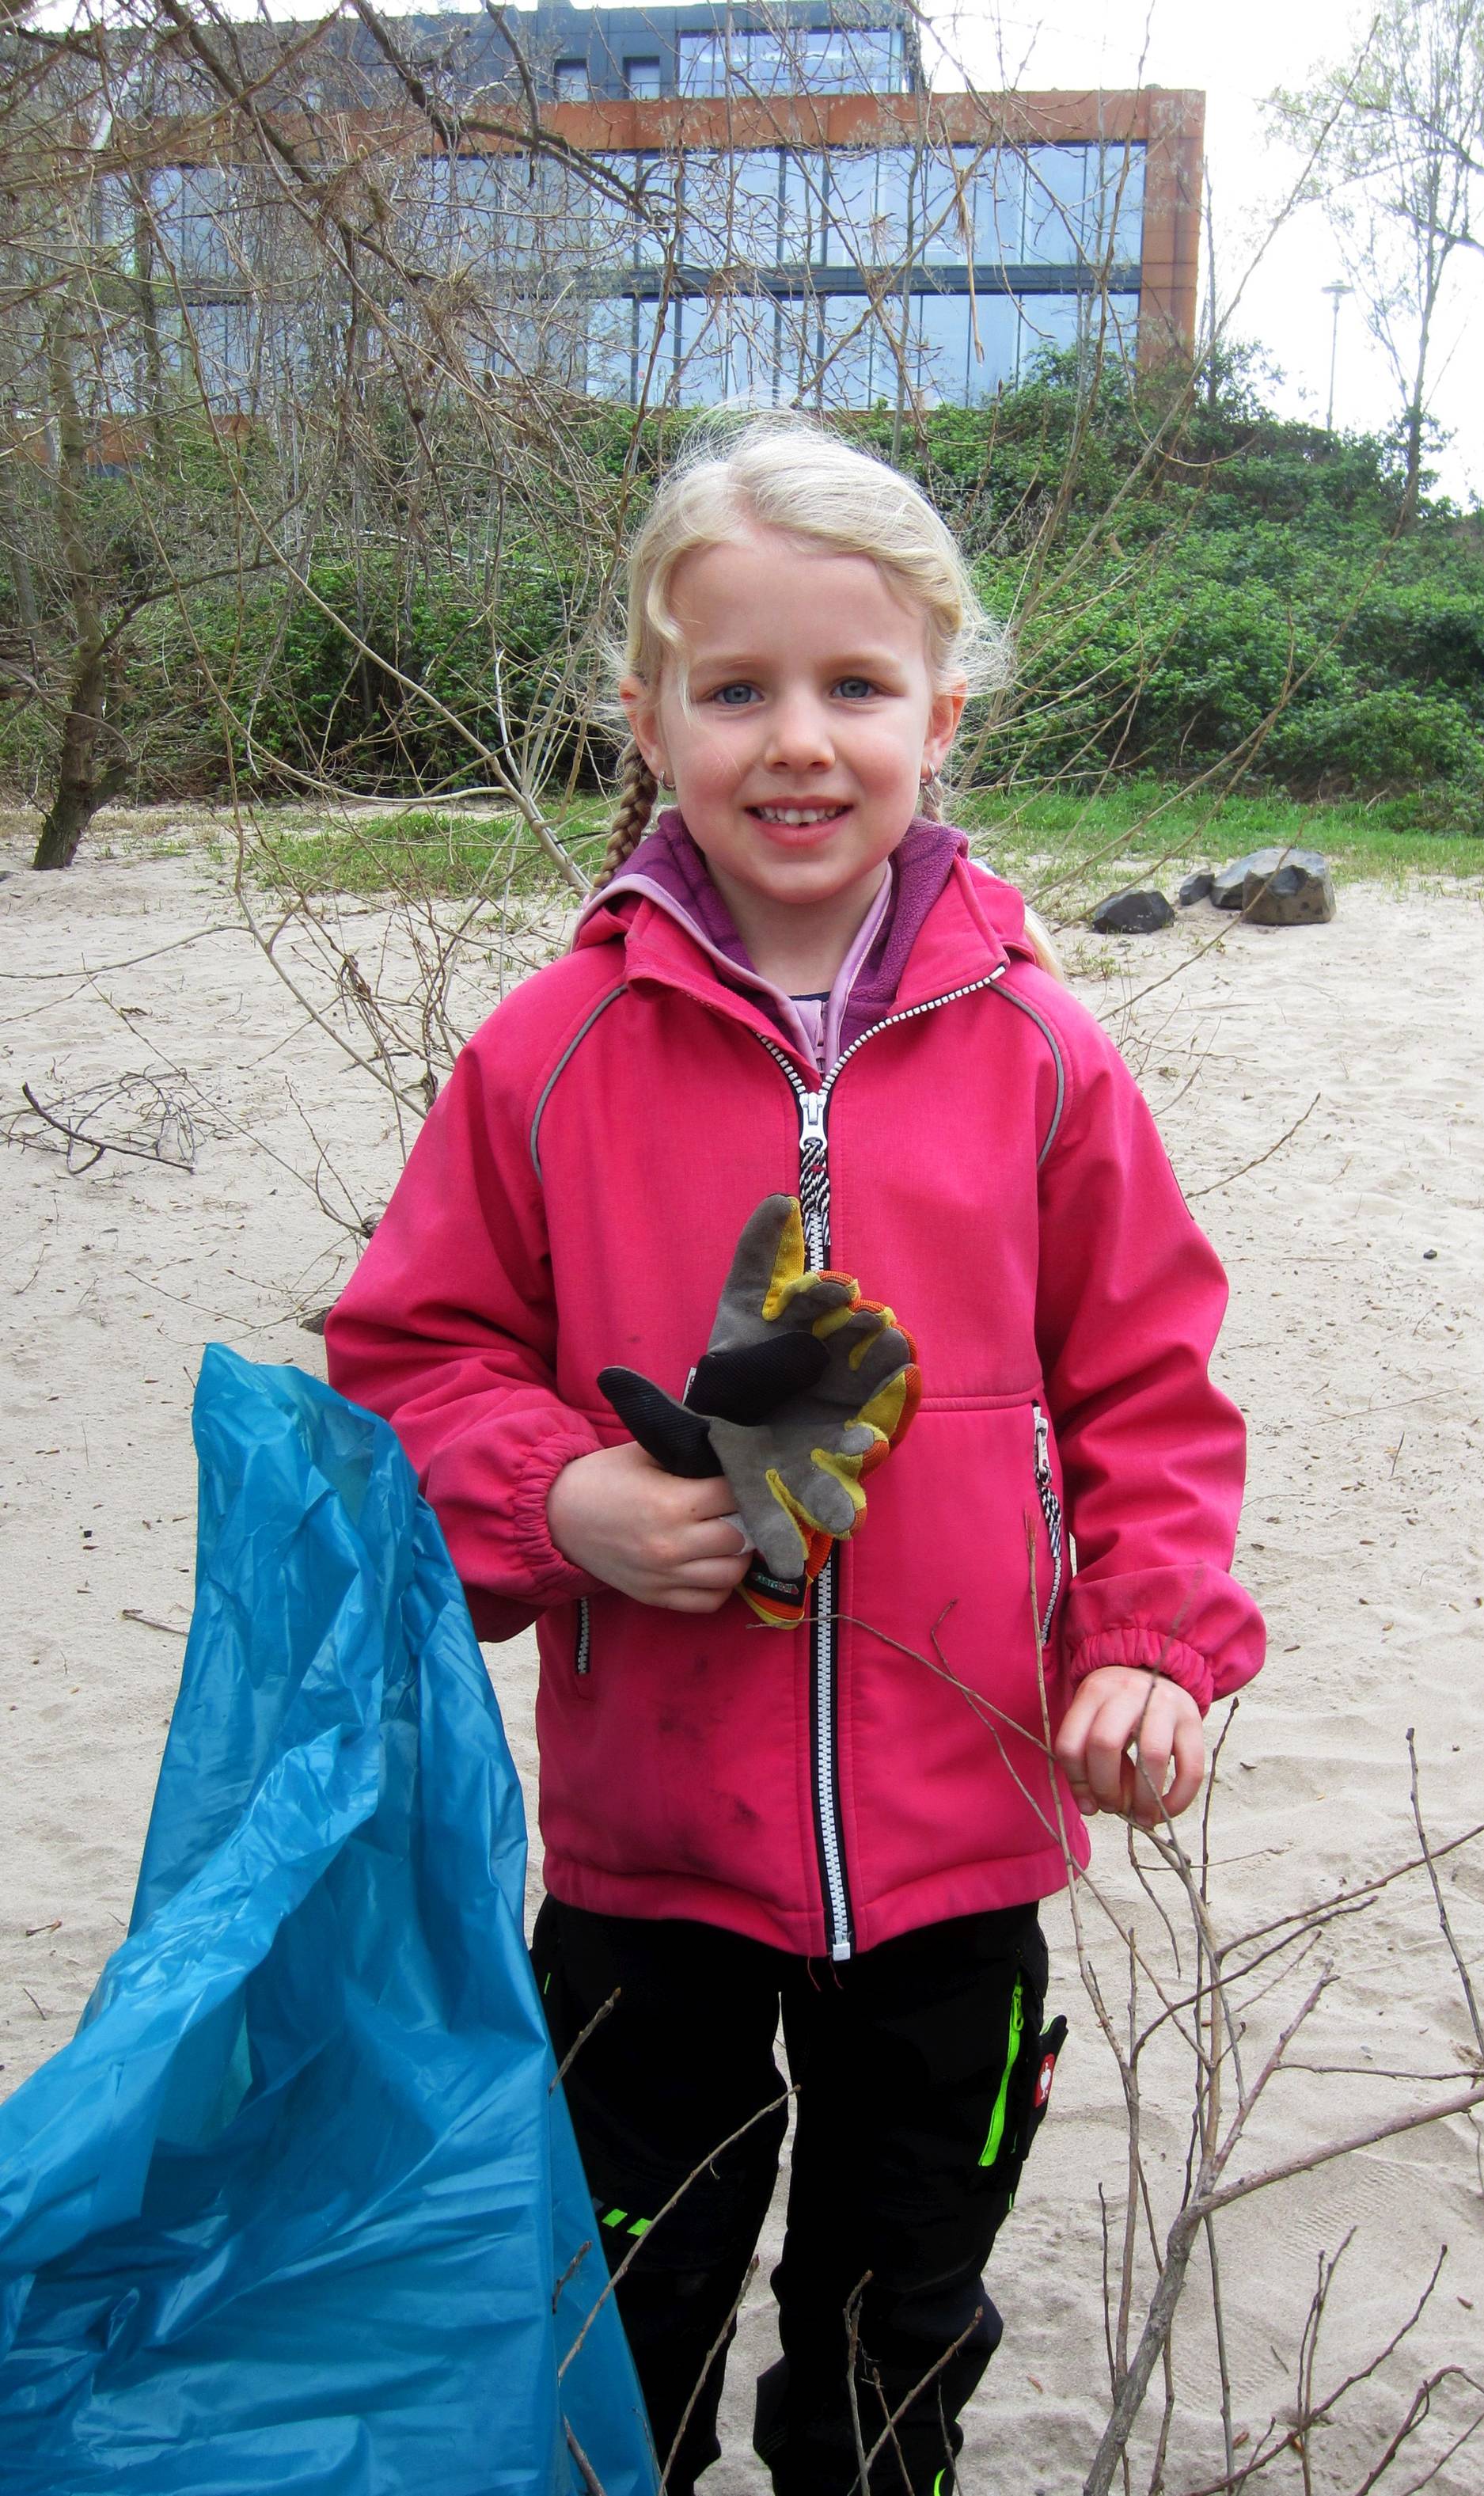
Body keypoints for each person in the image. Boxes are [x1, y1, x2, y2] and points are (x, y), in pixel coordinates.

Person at [325, 420, 1265, 2494]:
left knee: (890, 2327)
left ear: (941, 706)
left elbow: (1151, 1395)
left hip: (959, 1845)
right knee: (615, 2317)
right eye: (733, 688)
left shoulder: (1039, 1049)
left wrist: (1147, 1647)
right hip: (650, 1849)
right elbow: (408, 1359)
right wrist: (557, 1499)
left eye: (852, 686)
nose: (796, 740)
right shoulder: (547, 1049)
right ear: (645, 714)